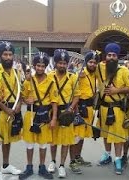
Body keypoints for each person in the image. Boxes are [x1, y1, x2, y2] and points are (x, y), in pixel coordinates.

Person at [0, 41, 22, 180]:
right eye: (5, 54)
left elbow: (20, 91)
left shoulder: (16, 72)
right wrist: (6, 108)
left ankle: (6, 166)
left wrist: (18, 104)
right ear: (0, 56)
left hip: (12, 111)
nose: (8, 57)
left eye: (10, 54)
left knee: (8, 140)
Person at [96, 43, 129, 175]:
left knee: (117, 136)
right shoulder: (100, 68)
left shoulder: (124, 70)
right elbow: (89, 69)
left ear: (118, 57)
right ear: (105, 56)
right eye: (109, 55)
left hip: (117, 109)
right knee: (105, 134)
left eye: (114, 55)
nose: (111, 57)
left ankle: (118, 159)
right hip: (103, 108)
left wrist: (117, 90)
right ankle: (107, 155)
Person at [19, 52, 58, 179]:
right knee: (29, 143)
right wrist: (26, 101)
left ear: (46, 66)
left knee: (43, 143)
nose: (40, 68)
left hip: (44, 115)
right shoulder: (28, 80)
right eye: (38, 65)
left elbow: (54, 102)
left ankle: (42, 167)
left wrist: (53, 119)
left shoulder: (51, 81)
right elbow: (22, 97)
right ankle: (29, 167)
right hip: (31, 114)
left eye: (42, 66)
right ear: (34, 66)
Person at [47, 49, 81, 178]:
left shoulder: (73, 77)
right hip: (53, 111)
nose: (62, 65)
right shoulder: (49, 76)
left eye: (64, 63)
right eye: (60, 63)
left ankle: (62, 165)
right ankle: (53, 161)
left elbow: (77, 96)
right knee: (53, 140)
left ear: (67, 64)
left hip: (67, 113)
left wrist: (71, 108)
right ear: (55, 63)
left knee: (66, 141)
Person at [73, 50, 99, 167]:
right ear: (86, 62)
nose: (92, 64)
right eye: (90, 62)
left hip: (89, 108)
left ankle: (78, 157)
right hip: (80, 107)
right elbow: (74, 92)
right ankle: (73, 160)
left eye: (94, 62)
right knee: (76, 136)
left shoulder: (95, 75)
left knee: (82, 136)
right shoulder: (80, 74)